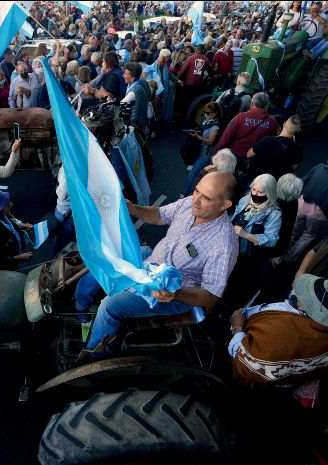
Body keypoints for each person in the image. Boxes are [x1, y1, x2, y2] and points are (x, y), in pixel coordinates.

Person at [79, 171, 239, 356]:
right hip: (153, 261)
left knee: (110, 306)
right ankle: (81, 308)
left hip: (172, 291)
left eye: (207, 198)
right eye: (197, 191)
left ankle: (95, 354)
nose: (196, 200)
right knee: (107, 255)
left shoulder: (224, 244)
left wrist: (175, 293)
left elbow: (210, 296)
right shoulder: (190, 203)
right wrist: (133, 208)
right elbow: (159, 215)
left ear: (225, 204)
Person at [228, 274, 328, 386]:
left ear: (304, 307)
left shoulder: (279, 336)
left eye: (302, 295)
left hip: (262, 384)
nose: (295, 294)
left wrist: (237, 328)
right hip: (297, 379)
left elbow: (248, 364)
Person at [280, 148, 328, 265]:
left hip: (301, 205)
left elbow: (303, 180)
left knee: (293, 231)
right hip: (318, 214)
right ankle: (289, 258)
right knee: (307, 236)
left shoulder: (319, 167)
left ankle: (280, 254)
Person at [223, 174, 282, 309]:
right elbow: (235, 216)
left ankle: (228, 306)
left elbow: (272, 240)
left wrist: (246, 235)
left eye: (260, 192)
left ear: (270, 193)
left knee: (235, 282)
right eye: (254, 190)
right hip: (230, 246)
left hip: (246, 256)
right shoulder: (246, 199)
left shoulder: (273, 214)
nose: (255, 194)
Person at [0, 187, 34, 270]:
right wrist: (18, 258)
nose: (11, 204)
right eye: (6, 204)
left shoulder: (0, 215)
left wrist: (21, 226)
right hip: (3, 271)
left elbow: (7, 226)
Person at [216, 92, 278, 166]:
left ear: (252, 102)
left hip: (233, 158)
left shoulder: (240, 117)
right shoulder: (272, 122)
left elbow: (226, 137)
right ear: (266, 105)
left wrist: (218, 153)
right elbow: (270, 142)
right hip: (253, 161)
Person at [245, 115, 302, 182]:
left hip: (255, 179)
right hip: (275, 183)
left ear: (284, 124)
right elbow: (293, 168)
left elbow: (249, 155)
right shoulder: (298, 150)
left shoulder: (266, 140)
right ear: (299, 130)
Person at [182, 102, 222, 197]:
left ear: (214, 114)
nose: (205, 115)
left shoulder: (215, 127)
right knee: (196, 174)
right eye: (204, 112)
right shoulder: (206, 122)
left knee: (192, 174)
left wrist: (198, 137)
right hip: (199, 151)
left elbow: (210, 141)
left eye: (208, 113)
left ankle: (186, 194)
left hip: (205, 155)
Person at [121, 63, 152, 136]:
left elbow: (120, 106)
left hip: (136, 122)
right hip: (141, 118)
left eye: (126, 74)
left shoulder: (134, 91)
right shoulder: (138, 83)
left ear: (133, 78)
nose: (123, 75)